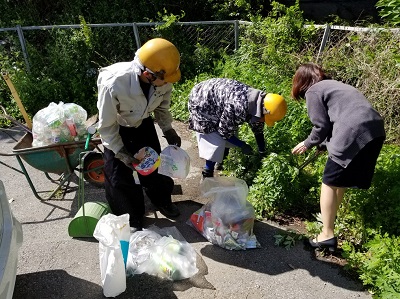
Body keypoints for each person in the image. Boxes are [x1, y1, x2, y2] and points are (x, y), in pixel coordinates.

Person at [291, 63, 385, 252]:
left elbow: (321, 126)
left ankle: (326, 234)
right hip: (375, 131)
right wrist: (325, 145)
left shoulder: (314, 91)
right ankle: (330, 225)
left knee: (328, 182)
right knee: (339, 182)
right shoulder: (335, 85)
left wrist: (308, 143)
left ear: (301, 82)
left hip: (353, 130)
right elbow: (339, 119)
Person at [96, 38, 182, 230]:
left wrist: (167, 128)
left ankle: (162, 200)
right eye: (164, 79)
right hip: (117, 128)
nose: (168, 83)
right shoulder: (114, 83)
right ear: (148, 74)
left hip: (142, 123)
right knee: (119, 177)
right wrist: (120, 151)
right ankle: (130, 216)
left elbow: (162, 107)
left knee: (154, 166)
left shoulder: (164, 76)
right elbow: (106, 125)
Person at [188, 78, 287, 178]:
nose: (265, 121)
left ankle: (221, 161)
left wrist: (262, 151)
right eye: (265, 119)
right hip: (201, 100)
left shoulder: (260, 103)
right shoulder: (239, 105)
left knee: (230, 130)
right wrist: (242, 145)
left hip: (217, 99)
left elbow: (258, 129)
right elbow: (224, 131)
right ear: (264, 111)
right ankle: (207, 173)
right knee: (215, 141)